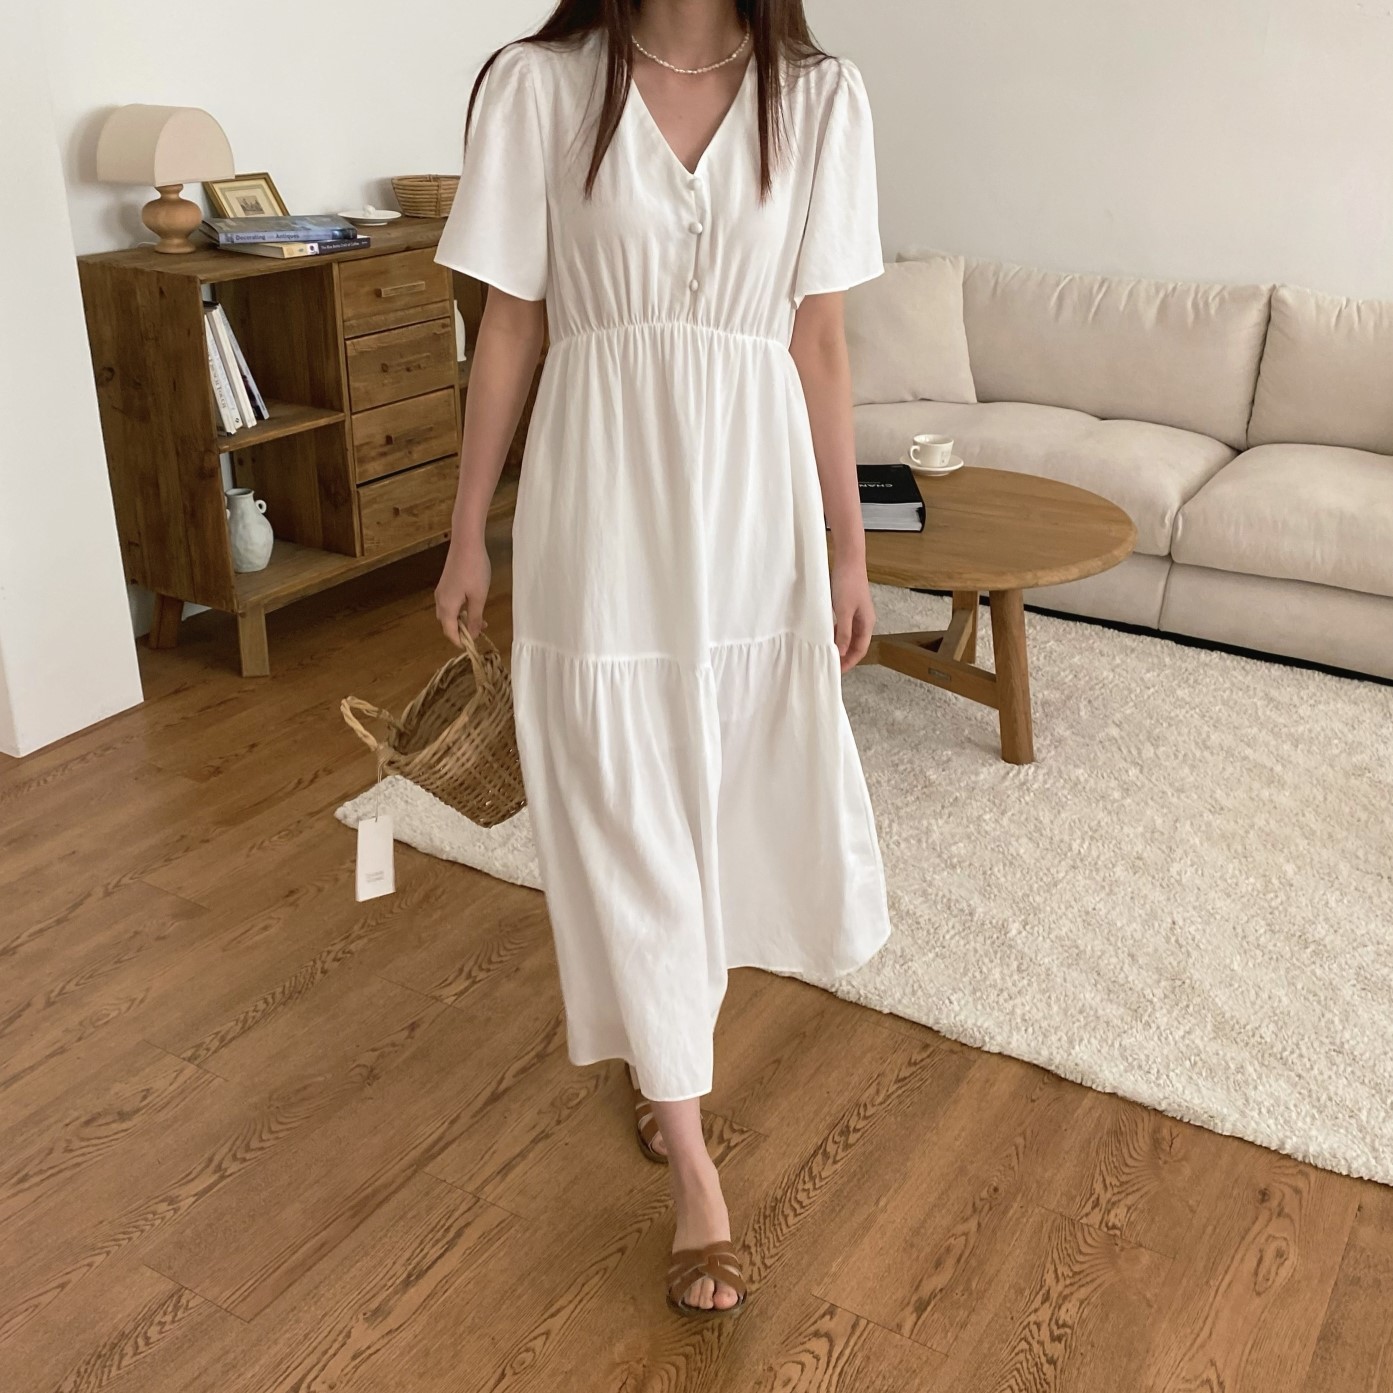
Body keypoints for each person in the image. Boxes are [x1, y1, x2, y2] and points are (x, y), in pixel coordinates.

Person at [432, 0, 892, 1317]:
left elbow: (818, 339)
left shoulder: (820, 97)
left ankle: (665, 1043)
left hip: (752, 507)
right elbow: (509, 324)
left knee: (724, 792)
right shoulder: (538, 87)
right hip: (599, 501)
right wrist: (466, 532)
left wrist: (849, 550)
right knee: (619, 794)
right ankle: (693, 1159)